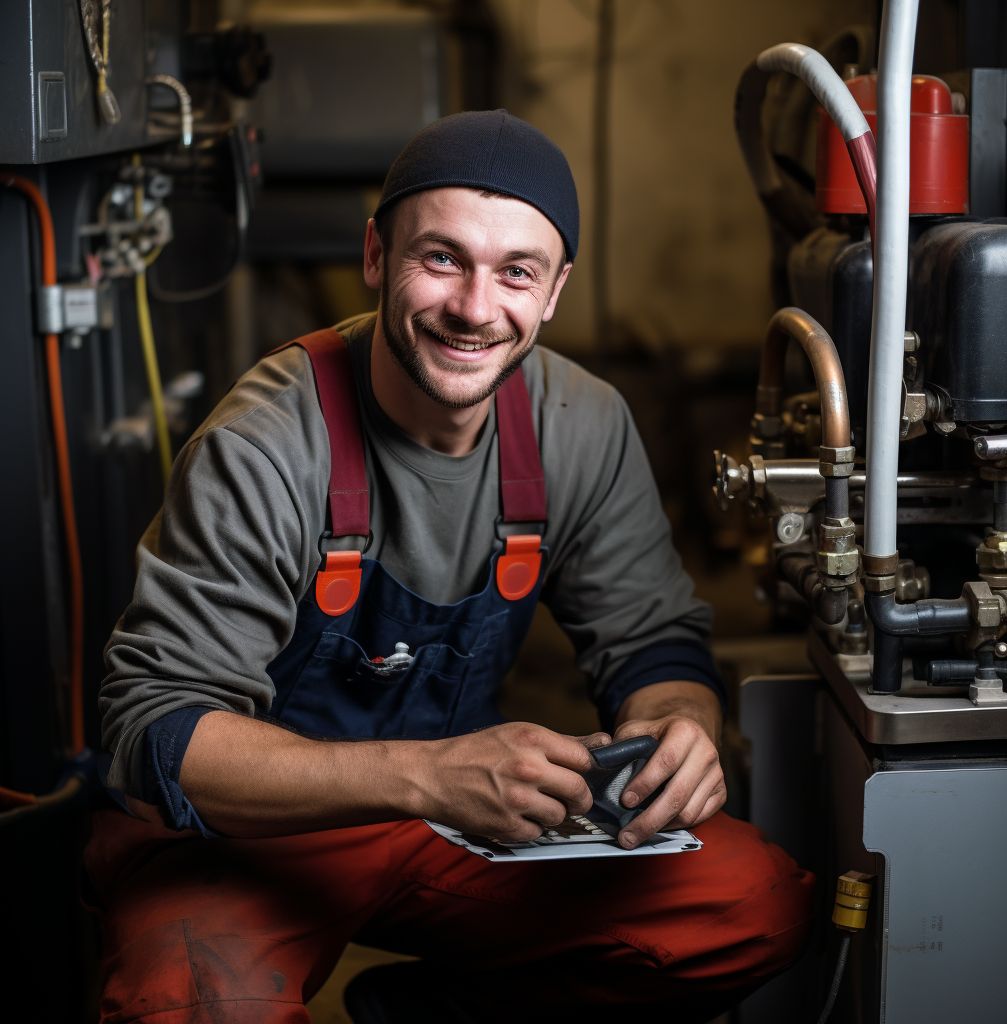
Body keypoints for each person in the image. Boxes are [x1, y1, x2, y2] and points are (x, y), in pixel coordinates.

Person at [86, 110, 813, 1023]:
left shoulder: (582, 425)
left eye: (516, 272)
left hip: (454, 827)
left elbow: (653, 641)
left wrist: (678, 728)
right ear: (375, 257)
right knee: (190, 1005)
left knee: (752, 904)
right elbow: (160, 733)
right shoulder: (265, 445)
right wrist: (429, 775)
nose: (475, 308)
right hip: (249, 836)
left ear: (553, 293)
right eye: (441, 259)